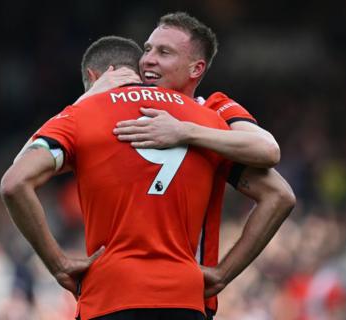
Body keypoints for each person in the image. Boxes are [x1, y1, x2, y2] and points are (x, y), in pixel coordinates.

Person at [0, 36, 239, 320]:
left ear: (94, 77)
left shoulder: (82, 114)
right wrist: (224, 273)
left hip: (109, 296)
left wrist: (59, 264)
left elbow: (15, 181)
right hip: (186, 297)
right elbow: (280, 195)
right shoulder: (204, 118)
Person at [80, 12, 296, 319]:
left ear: (196, 69)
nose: (147, 60)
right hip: (121, 294)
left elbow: (269, 155)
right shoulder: (122, 111)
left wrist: (185, 131)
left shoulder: (212, 110)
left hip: (180, 296)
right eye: (148, 49)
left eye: (164, 52)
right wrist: (90, 99)